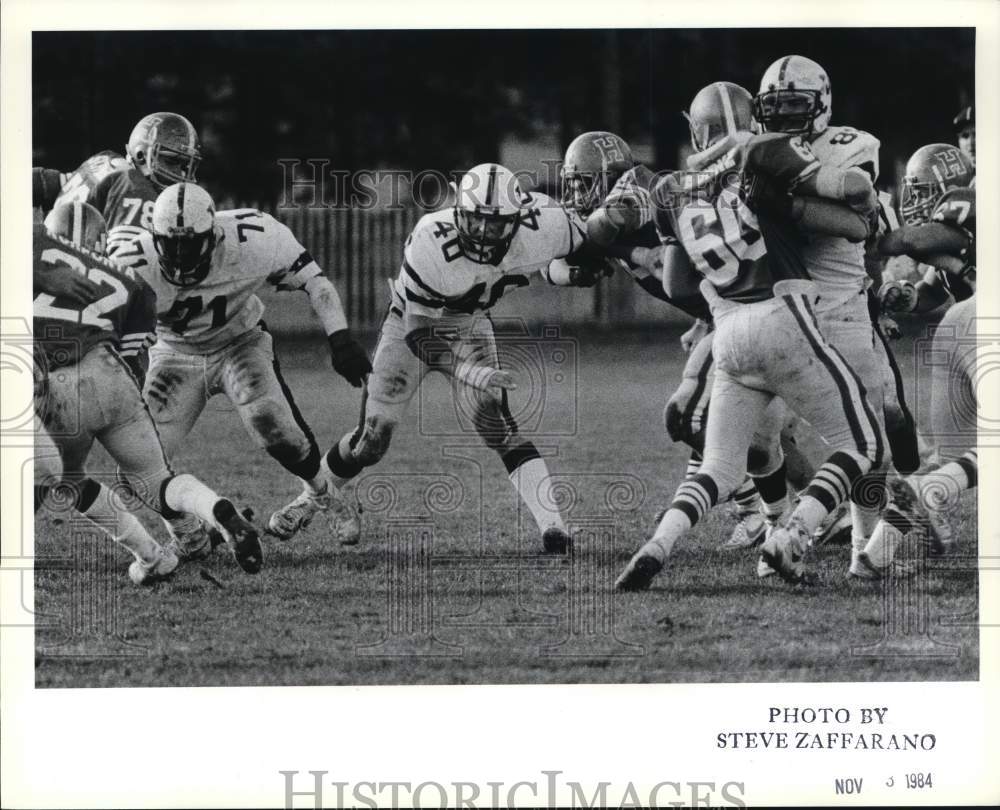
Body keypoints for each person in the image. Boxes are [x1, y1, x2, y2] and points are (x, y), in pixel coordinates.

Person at [615, 81, 886, 590]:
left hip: (727, 333)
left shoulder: (669, 190)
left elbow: (675, 283)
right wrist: (855, 197)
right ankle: (791, 534)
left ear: (696, 131)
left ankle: (657, 546)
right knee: (864, 442)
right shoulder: (762, 150)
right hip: (783, 315)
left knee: (716, 467)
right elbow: (853, 200)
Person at [323, 163, 601, 553]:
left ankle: (554, 530)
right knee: (373, 439)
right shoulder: (430, 239)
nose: (486, 233)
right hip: (410, 324)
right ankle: (311, 496)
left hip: (469, 324)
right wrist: (470, 372)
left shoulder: (545, 225)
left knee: (495, 423)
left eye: (497, 224)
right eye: (475, 221)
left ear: (519, 218)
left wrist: (587, 269)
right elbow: (419, 332)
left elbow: (554, 259)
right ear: (457, 212)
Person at [112, 182, 372, 554]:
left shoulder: (252, 239)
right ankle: (191, 531)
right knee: (136, 465)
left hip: (239, 342)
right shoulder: (130, 261)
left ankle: (323, 494)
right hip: (173, 355)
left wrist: (340, 338)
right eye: (173, 244)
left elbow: (316, 282)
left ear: (214, 236)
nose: (182, 256)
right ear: (155, 237)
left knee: (274, 424)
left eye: (191, 244)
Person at [34, 201, 262, 581]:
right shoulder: (130, 281)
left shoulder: (32, 253)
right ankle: (216, 508)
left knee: (68, 479)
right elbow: (133, 357)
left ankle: (151, 556)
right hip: (112, 374)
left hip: (58, 379)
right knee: (156, 480)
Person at [861, 142, 977, 567]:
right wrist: (906, 296)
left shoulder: (968, 206)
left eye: (925, 189)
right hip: (975, 328)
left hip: (955, 335)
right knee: (964, 459)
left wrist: (879, 236)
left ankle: (874, 555)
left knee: (953, 460)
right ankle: (923, 493)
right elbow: (931, 290)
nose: (918, 199)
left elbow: (911, 237)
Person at [33, 112, 202, 256]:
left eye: (186, 165)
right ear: (142, 156)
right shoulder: (135, 188)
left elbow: (44, 181)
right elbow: (128, 264)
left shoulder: (106, 160)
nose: (181, 173)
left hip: (46, 255)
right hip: (73, 273)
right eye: (172, 161)